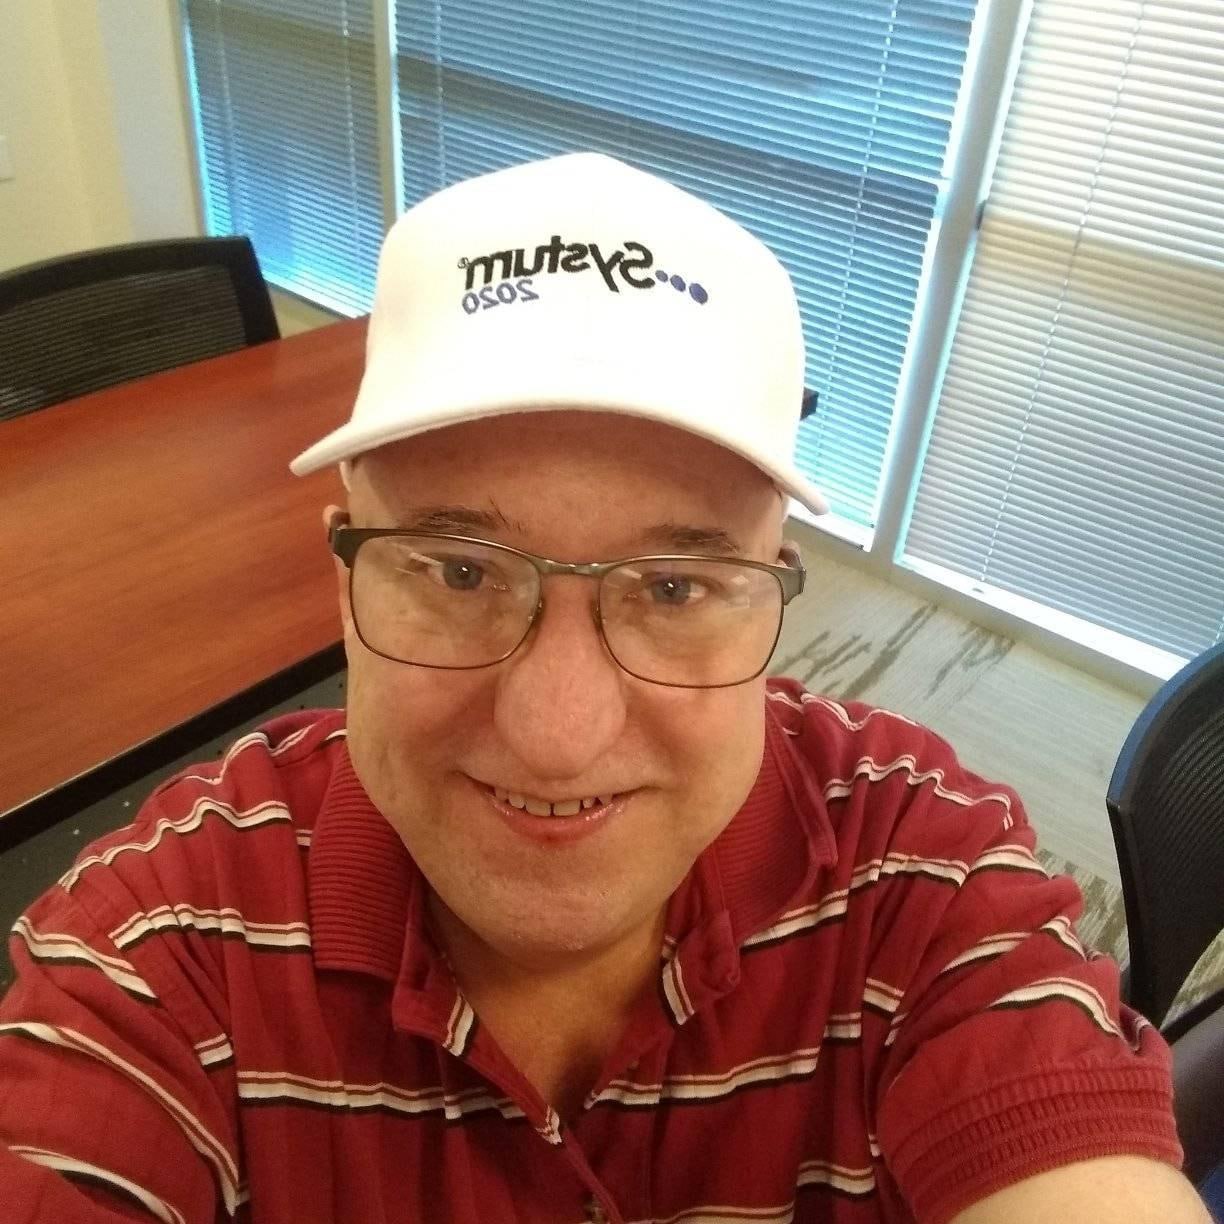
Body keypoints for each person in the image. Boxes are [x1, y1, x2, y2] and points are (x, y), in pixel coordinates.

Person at [0, 153, 1209, 1224]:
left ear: (773, 596)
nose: (557, 735)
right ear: (344, 578)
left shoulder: (914, 871)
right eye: (461, 571)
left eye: (674, 588)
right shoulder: (163, 949)